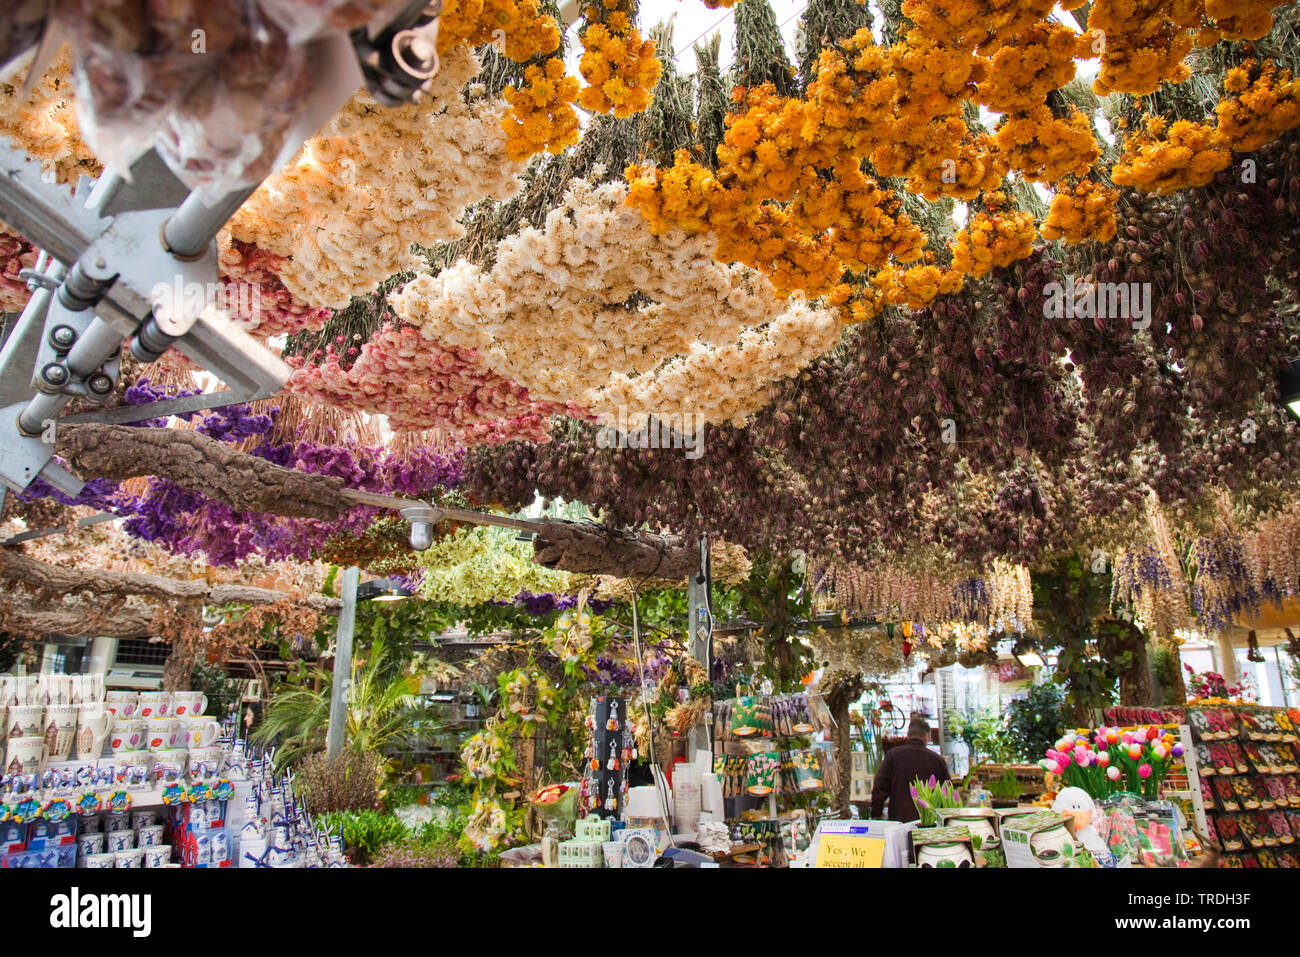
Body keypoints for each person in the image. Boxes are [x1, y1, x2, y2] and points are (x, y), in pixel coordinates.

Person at [870, 715, 951, 822]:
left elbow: (879, 788)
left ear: (907, 735)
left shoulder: (892, 756)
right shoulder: (937, 760)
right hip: (928, 824)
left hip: (898, 821)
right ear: (927, 737)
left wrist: (876, 814)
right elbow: (947, 792)